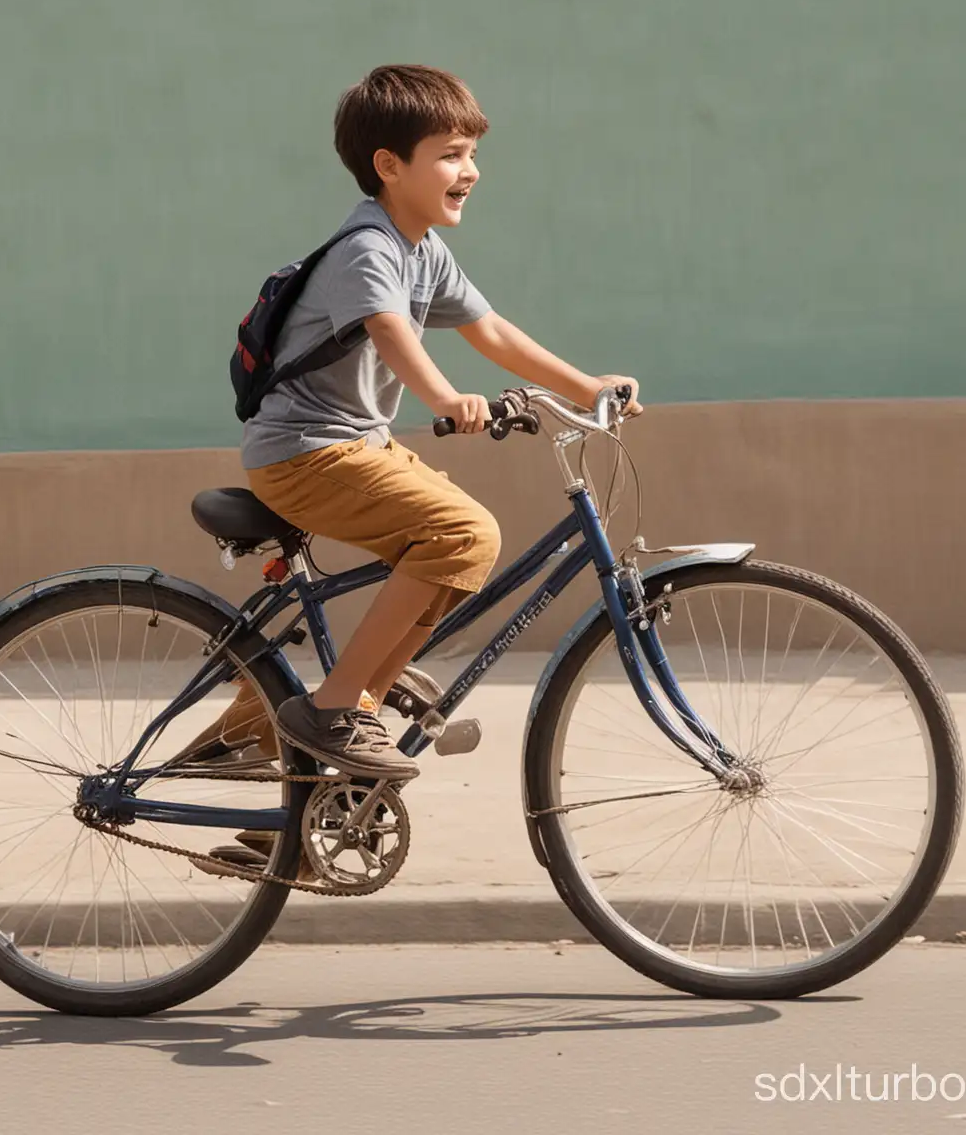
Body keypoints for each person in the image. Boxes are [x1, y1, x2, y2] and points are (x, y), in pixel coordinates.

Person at [182, 64, 642, 870]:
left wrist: (585, 384)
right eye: (451, 153)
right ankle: (332, 709)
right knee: (463, 533)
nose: (470, 170)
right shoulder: (369, 249)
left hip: (353, 445)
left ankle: (276, 765)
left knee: (450, 556)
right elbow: (393, 333)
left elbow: (491, 330)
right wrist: (444, 396)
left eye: (472, 153)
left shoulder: (421, 252)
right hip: (306, 452)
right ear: (389, 166)